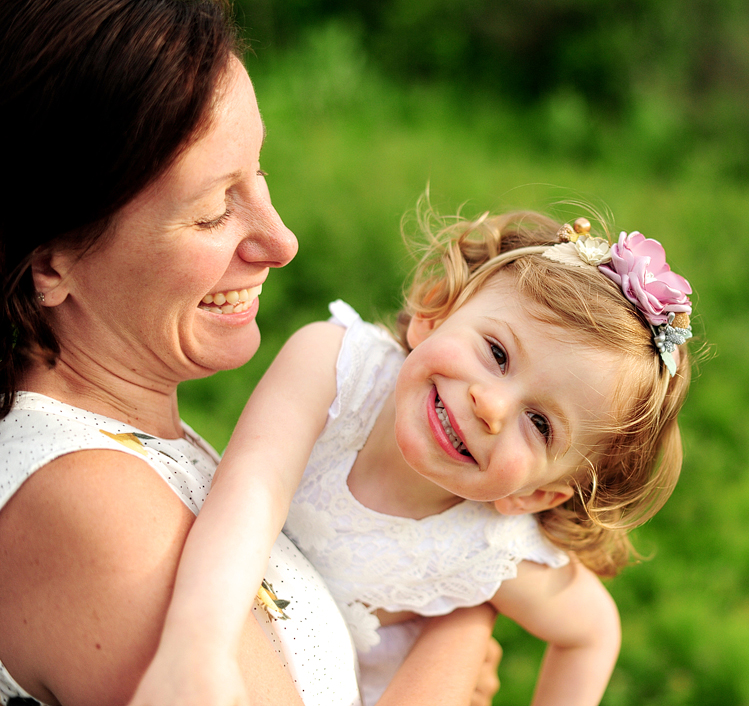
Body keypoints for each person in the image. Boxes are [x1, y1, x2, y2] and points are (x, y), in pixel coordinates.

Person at [0, 2, 500, 705]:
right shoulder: (92, 506)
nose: (281, 240)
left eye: (257, 173)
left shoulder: (128, 447)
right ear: (50, 262)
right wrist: (460, 633)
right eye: (212, 210)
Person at [141, 203, 695, 705]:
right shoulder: (336, 370)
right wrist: (198, 651)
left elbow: (592, 633)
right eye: (497, 353)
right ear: (437, 310)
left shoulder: (486, 546)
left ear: (534, 495)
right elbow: (250, 494)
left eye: (540, 423)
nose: (491, 406)